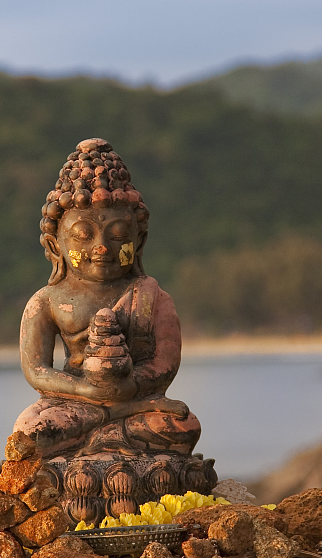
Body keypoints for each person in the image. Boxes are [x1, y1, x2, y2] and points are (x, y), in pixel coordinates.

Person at [13, 137, 202, 459]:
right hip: (73, 403)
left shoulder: (153, 297)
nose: (101, 247)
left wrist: (131, 387)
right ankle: (107, 428)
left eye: (117, 236)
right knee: (33, 428)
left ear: (139, 241)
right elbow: (36, 371)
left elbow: (165, 363)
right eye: (83, 236)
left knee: (181, 424)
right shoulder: (47, 301)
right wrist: (85, 389)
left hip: (136, 401)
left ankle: (105, 430)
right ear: (55, 244)